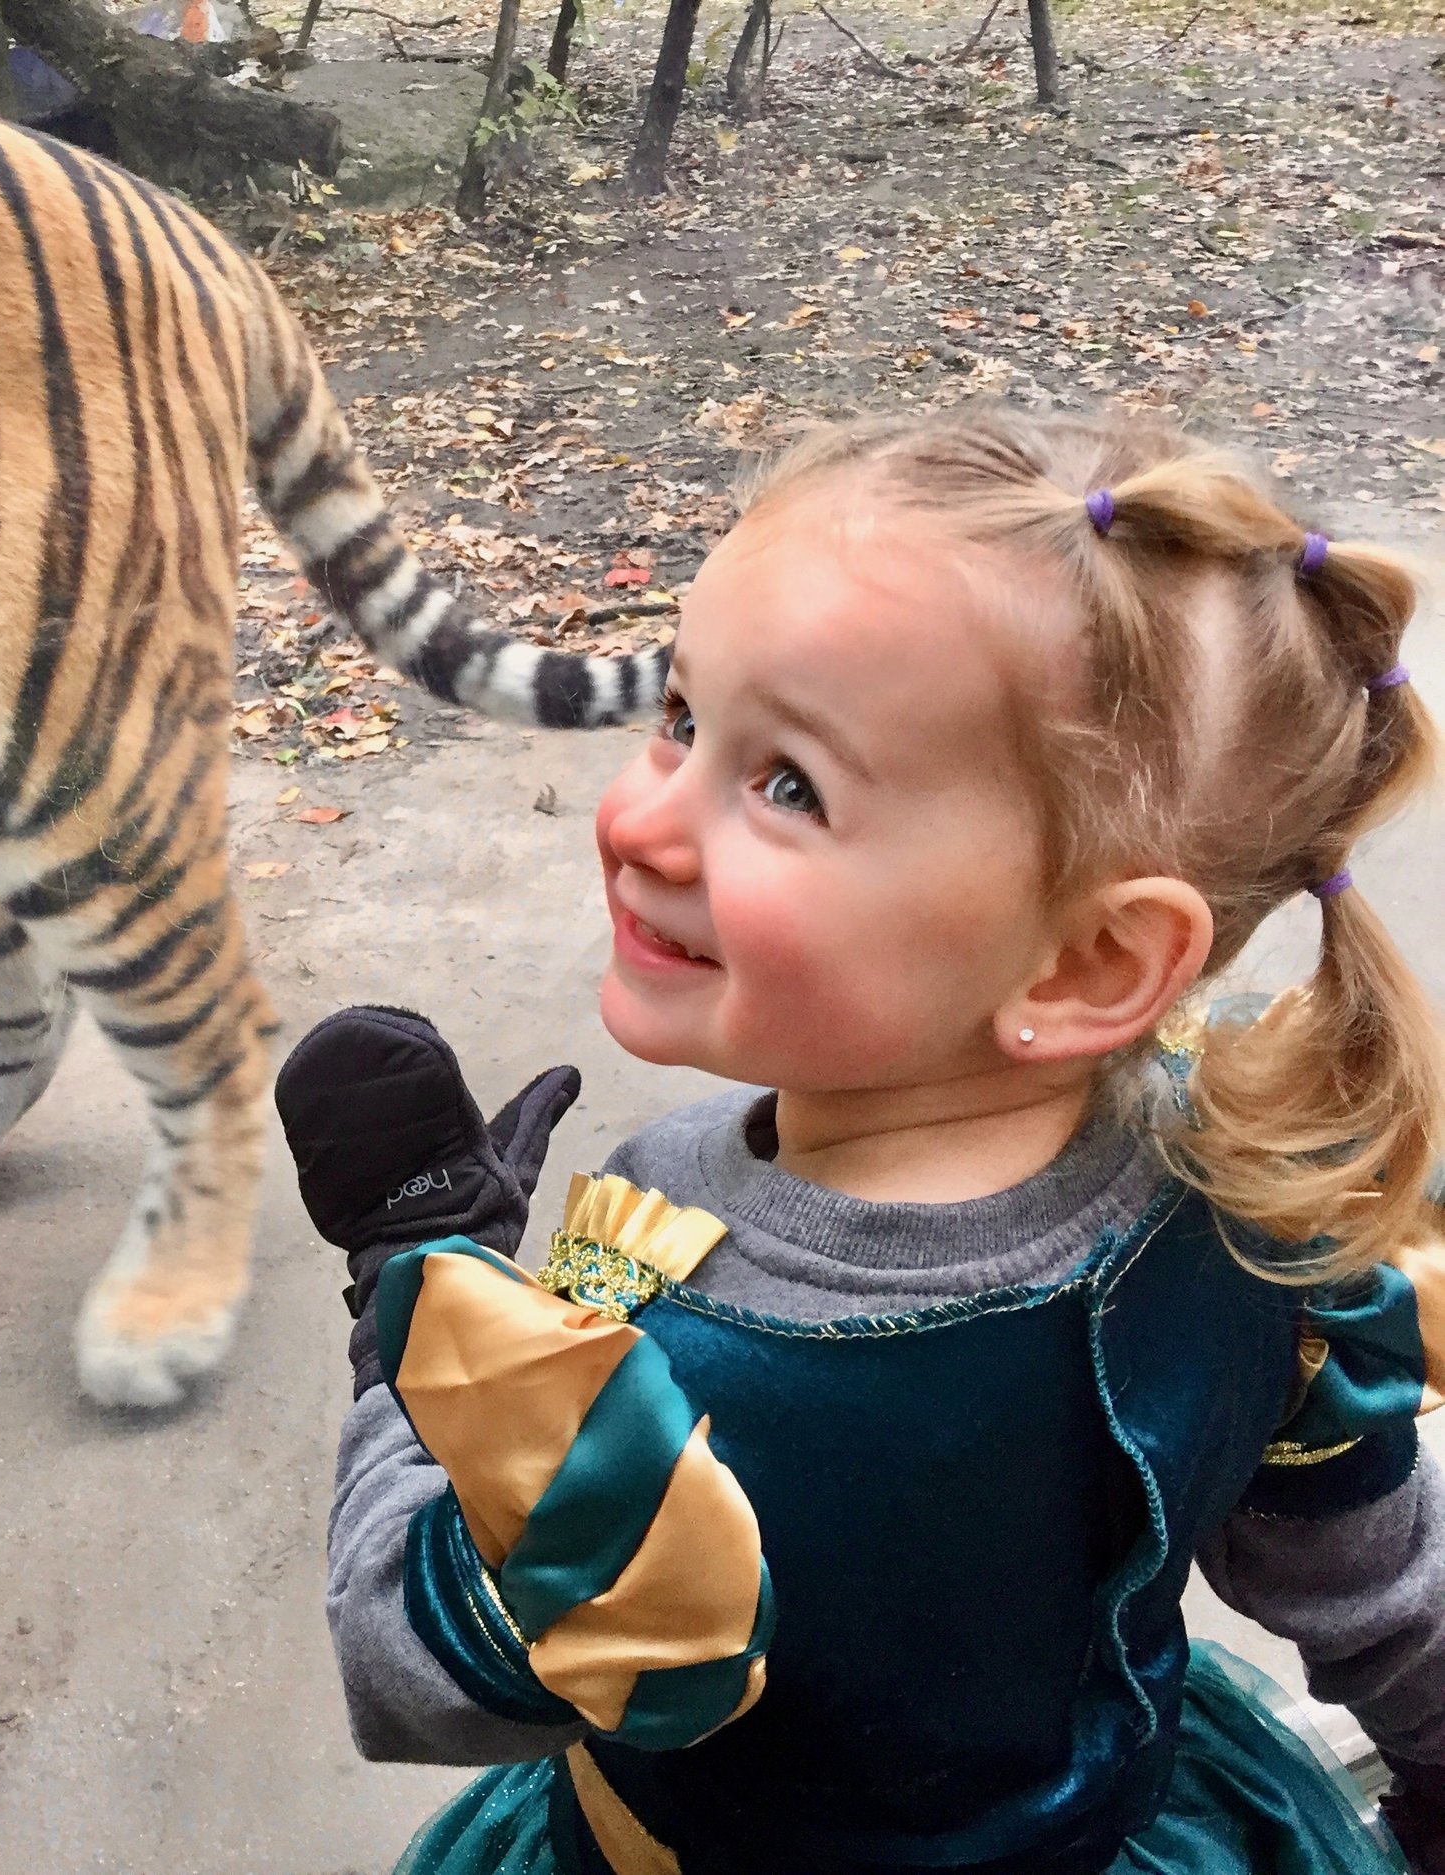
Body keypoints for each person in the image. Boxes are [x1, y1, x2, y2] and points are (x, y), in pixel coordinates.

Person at [276, 407, 1445, 1875]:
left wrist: (415, 1297)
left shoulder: (700, 1373)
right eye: (687, 720)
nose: (642, 821)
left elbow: (414, 1659)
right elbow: (1384, 1587)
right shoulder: (1247, 1204)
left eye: (788, 788)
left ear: (1084, 968)